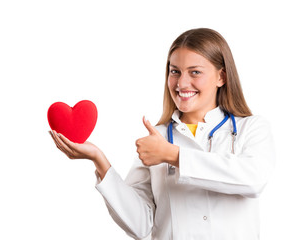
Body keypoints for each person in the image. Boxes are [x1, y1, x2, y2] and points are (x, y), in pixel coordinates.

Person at [49, 28, 275, 240]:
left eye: (195, 72)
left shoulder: (251, 128)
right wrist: (98, 159)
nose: (181, 83)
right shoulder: (157, 137)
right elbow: (140, 224)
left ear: (221, 77)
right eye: (175, 71)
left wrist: (173, 156)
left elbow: (253, 180)